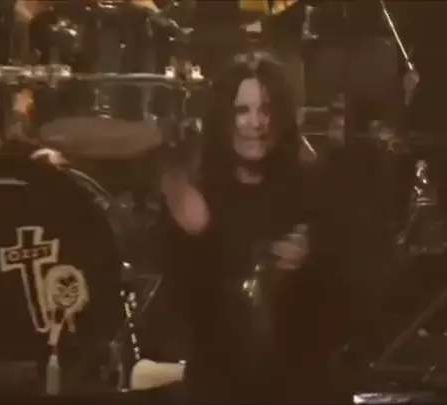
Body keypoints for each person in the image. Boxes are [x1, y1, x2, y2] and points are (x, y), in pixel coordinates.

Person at [141, 52, 351, 403]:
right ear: (223, 118)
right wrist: (190, 237)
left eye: (266, 109)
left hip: (301, 383)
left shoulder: (315, 188)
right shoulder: (200, 194)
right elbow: (178, 312)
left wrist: (312, 258)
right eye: (242, 111)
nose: (255, 123)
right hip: (218, 384)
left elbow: (348, 298)